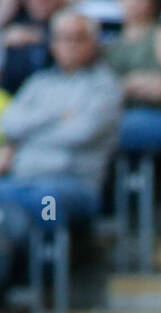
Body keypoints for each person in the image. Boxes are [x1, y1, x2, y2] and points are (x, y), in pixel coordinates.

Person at [0, 9, 121, 292]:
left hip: (70, 188)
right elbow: (10, 122)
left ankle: (30, 284)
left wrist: (31, 131)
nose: (69, 45)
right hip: (19, 181)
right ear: (52, 44)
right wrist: (58, 115)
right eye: (62, 38)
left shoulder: (105, 86)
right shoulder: (39, 82)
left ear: (94, 42)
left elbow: (81, 132)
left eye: (77, 38)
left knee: (42, 208)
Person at [104, 0, 161, 153]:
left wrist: (123, 86)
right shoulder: (112, 44)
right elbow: (103, 93)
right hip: (120, 116)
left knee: (100, 128)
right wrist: (135, 83)